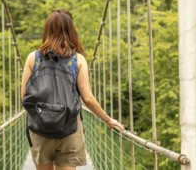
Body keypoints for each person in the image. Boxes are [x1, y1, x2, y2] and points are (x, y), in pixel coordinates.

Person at [21, 9, 125, 170]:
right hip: (69, 128)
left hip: (40, 127)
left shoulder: (33, 58)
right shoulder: (78, 60)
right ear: (71, 30)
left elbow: (25, 97)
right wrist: (108, 119)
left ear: (47, 30)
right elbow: (88, 98)